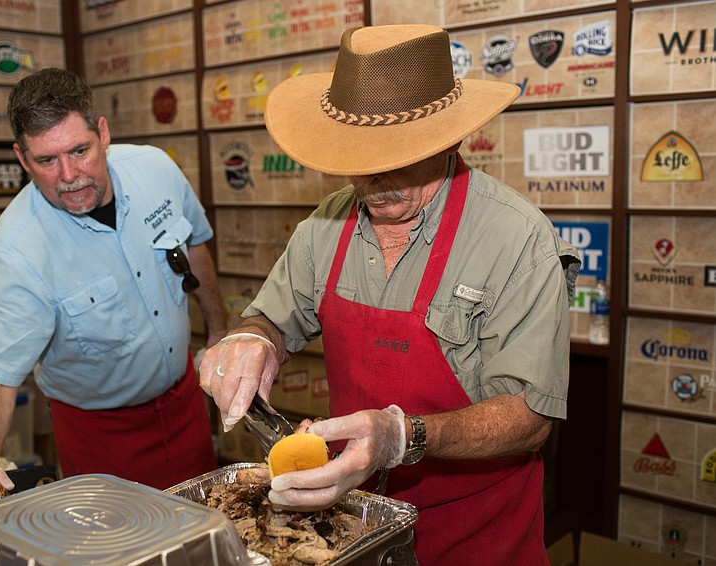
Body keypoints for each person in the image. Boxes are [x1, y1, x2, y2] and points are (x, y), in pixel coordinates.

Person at [199, 24, 580, 565]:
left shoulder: (517, 239)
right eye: (360, 155)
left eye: (401, 154)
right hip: (355, 533)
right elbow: (269, 320)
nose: (376, 177)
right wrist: (250, 338)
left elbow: (531, 417)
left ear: (450, 138)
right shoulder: (324, 228)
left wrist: (404, 437)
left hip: (477, 538)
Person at [0, 68, 226, 529]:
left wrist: (218, 329)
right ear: (21, 158)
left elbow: (195, 244)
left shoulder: (155, 169)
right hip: (101, 437)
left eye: (79, 151)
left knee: (209, 534)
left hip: (185, 404)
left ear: (103, 132)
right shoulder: (15, 252)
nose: (69, 176)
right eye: (46, 160)